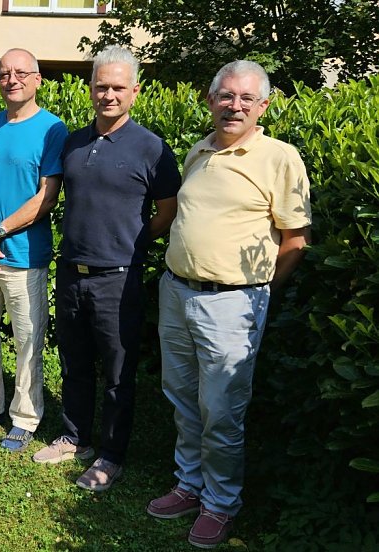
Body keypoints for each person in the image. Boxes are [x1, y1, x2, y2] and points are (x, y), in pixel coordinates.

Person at [146, 60, 311, 548]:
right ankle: (189, 484)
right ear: (210, 99)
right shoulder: (198, 151)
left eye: (245, 99)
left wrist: (256, 294)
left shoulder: (280, 158)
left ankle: (220, 503)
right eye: (225, 96)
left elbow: (295, 241)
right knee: (182, 398)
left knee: (221, 411)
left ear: (263, 106)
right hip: (176, 292)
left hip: (233, 304)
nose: (233, 106)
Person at [32, 47, 181, 490]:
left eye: (118, 87)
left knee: (118, 373)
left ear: (135, 91)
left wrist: (130, 245)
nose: (108, 94)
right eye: (101, 86)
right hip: (71, 272)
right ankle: (74, 438)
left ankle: (110, 456)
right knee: (74, 362)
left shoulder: (152, 148)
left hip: (119, 278)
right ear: (90, 88)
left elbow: (167, 213)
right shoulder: (73, 141)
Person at [0, 48, 68, 452]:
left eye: (21, 72)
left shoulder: (52, 129)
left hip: (24, 257)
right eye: (4, 73)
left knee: (27, 341)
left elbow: (47, 196)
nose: (12, 79)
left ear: (37, 79)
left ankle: (24, 417)